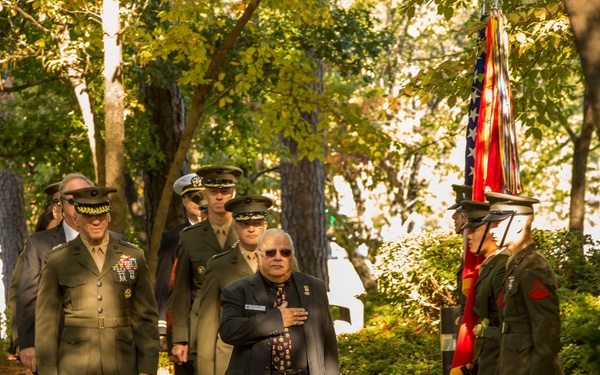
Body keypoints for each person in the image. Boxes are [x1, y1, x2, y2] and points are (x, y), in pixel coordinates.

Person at [35, 186, 159, 375]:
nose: (95, 221)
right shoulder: (58, 260)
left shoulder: (132, 256)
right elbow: (46, 322)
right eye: (88, 216)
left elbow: (145, 316)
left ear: (108, 216)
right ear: (76, 218)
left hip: (123, 362)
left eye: (101, 215)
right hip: (75, 364)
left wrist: (148, 368)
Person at [219, 228, 339, 375]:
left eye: (285, 252)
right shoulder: (237, 290)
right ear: (257, 257)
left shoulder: (314, 287)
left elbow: (329, 344)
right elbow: (228, 331)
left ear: (292, 257)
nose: (278, 257)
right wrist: (277, 319)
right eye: (270, 253)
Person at [14, 173, 95, 373]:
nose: (79, 206)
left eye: (85, 200)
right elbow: (26, 296)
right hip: (55, 350)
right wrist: (27, 342)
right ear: (60, 205)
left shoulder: (114, 242)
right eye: (72, 201)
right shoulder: (38, 244)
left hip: (101, 352)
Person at [482, 192, 563, 375]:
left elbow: (547, 330)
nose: (491, 230)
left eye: (498, 223)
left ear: (518, 224)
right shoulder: (515, 264)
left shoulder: (533, 266)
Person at [171, 165, 243, 369]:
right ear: (205, 194)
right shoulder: (189, 238)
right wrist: (180, 339)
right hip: (201, 328)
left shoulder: (246, 234)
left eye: (225, 192)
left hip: (240, 324)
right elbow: (181, 291)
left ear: (233, 193)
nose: (219, 197)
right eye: (213, 192)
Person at [196, 195, 272, 375]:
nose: (251, 229)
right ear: (235, 227)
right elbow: (208, 321)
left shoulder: (283, 262)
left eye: (257, 223)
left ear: (265, 227)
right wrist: (207, 370)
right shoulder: (218, 266)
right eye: (245, 224)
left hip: (273, 357)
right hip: (232, 359)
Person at [155, 173, 205, 375]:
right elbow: (163, 283)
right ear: (184, 200)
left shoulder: (227, 235)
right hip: (181, 322)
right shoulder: (172, 238)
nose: (197, 203)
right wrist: (161, 328)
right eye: (193, 198)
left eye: (202, 197)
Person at [460, 200, 509, 374]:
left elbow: (508, 319)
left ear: (491, 231)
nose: (469, 236)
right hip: (485, 351)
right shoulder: (488, 265)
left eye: (475, 230)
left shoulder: (502, 267)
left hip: (498, 354)